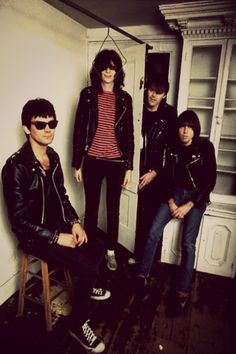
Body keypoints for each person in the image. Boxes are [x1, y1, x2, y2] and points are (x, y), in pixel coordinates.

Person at [1, 98, 111, 353]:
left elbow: (61, 194)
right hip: (34, 236)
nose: (49, 129)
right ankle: (78, 323)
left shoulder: (53, 156)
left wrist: (74, 223)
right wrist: (54, 237)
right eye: (41, 124)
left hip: (56, 224)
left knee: (97, 245)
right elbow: (19, 220)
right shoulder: (15, 167)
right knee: (87, 268)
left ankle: (87, 285)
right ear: (27, 128)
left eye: (53, 123)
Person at [136, 110, 216, 313]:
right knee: (153, 232)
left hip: (195, 198)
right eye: (182, 126)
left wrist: (189, 205)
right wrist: (171, 202)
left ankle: (183, 291)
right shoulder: (170, 147)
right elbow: (163, 177)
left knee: (188, 244)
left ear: (196, 129)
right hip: (173, 194)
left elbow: (209, 181)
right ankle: (142, 277)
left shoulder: (205, 147)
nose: (185, 131)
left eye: (189, 127)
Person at [72, 49, 134, 271]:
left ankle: (110, 251)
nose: (109, 71)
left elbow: (129, 136)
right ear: (98, 69)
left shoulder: (125, 99)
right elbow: (79, 129)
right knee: (92, 208)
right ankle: (88, 252)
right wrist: (76, 162)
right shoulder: (87, 94)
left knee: (113, 209)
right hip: (92, 160)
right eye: (105, 66)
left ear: (118, 71)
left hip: (117, 163)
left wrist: (129, 167)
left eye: (113, 67)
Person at [129, 74, 177, 264]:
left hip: (158, 172)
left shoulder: (169, 113)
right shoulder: (136, 109)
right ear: (146, 89)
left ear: (164, 95)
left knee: (150, 214)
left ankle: (145, 257)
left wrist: (155, 172)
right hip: (135, 168)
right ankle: (131, 251)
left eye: (159, 92)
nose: (153, 96)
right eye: (151, 90)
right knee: (133, 212)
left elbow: (171, 146)